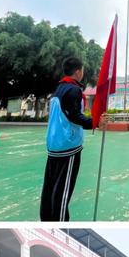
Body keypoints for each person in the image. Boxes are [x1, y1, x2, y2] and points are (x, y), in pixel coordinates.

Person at [40, 57, 93, 221]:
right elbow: (74, 116)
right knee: (63, 191)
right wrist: (95, 122)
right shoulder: (73, 90)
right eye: (82, 70)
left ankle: (46, 219)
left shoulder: (59, 89)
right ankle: (59, 223)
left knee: (50, 188)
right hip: (67, 147)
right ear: (78, 71)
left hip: (54, 145)